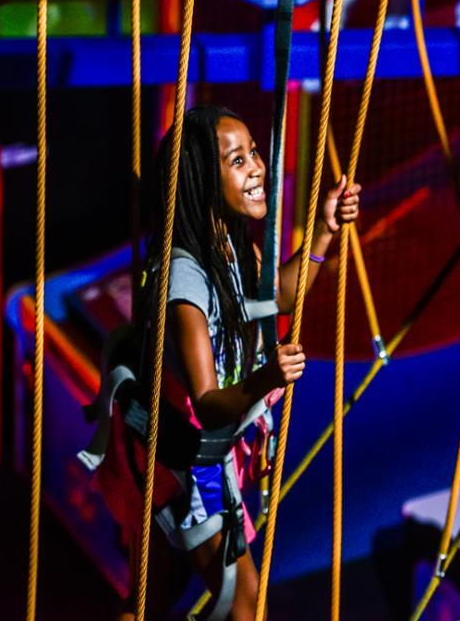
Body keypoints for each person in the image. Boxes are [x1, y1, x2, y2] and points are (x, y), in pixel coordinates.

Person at [90, 105, 360, 620]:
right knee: (245, 601)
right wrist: (267, 376)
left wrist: (324, 232)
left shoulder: (230, 244)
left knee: (152, 598)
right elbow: (209, 403)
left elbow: (278, 295)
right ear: (201, 182)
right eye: (238, 161)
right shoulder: (185, 284)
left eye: (253, 153)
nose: (257, 168)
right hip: (183, 464)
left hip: (188, 453)